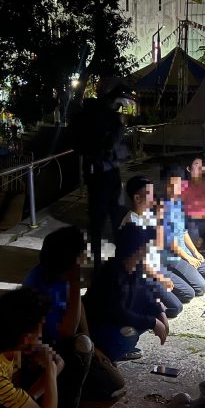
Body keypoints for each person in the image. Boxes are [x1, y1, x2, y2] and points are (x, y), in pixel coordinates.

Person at [21, 226, 96, 408]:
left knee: (113, 385)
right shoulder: (38, 285)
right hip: (41, 354)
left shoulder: (62, 273)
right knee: (82, 347)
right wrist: (75, 284)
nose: (86, 258)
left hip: (59, 344)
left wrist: (93, 346)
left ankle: (70, 387)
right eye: (82, 254)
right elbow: (66, 332)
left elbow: (77, 309)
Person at [70, 77, 134, 271]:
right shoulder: (109, 117)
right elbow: (112, 145)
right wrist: (119, 128)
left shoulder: (84, 115)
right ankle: (120, 261)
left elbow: (77, 145)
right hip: (106, 173)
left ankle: (98, 263)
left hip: (94, 173)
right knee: (116, 219)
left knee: (97, 221)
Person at [83, 223, 170, 363]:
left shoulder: (133, 268)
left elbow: (145, 293)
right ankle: (108, 351)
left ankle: (118, 346)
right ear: (138, 249)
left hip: (116, 319)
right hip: (100, 326)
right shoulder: (111, 275)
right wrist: (153, 322)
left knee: (152, 312)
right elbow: (118, 313)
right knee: (129, 336)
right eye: (146, 246)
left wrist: (159, 311)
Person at [120, 175, 182, 319]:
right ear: (137, 198)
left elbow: (159, 244)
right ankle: (147, 307)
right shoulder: (131, 224)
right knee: (176, 307)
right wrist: (161, 278)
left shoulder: (147, 214)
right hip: (143, 275)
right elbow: (140, 263)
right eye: (149, 194)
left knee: (189, 293)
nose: (153, 198)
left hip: (157, 266)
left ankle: (154, 298)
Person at [162, 165, 205, 299]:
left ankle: (189, 273)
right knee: (201, 288)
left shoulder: (178, 204)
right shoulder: (163, 209)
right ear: (166, 186)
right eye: (173, 185)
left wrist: (195, 252)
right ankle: (176, 275)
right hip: (174, 257)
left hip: (185, 253)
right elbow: (171, 243)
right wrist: (189, 259)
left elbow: (183, 232)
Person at [181, 156, 205, 249]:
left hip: (200, 222)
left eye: (202, 166)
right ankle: (194, 243)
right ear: (189, 169)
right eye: (196, 165)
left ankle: (196, 242)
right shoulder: (184, 185)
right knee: (191, 223)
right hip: (188, 222)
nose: (200, 168)